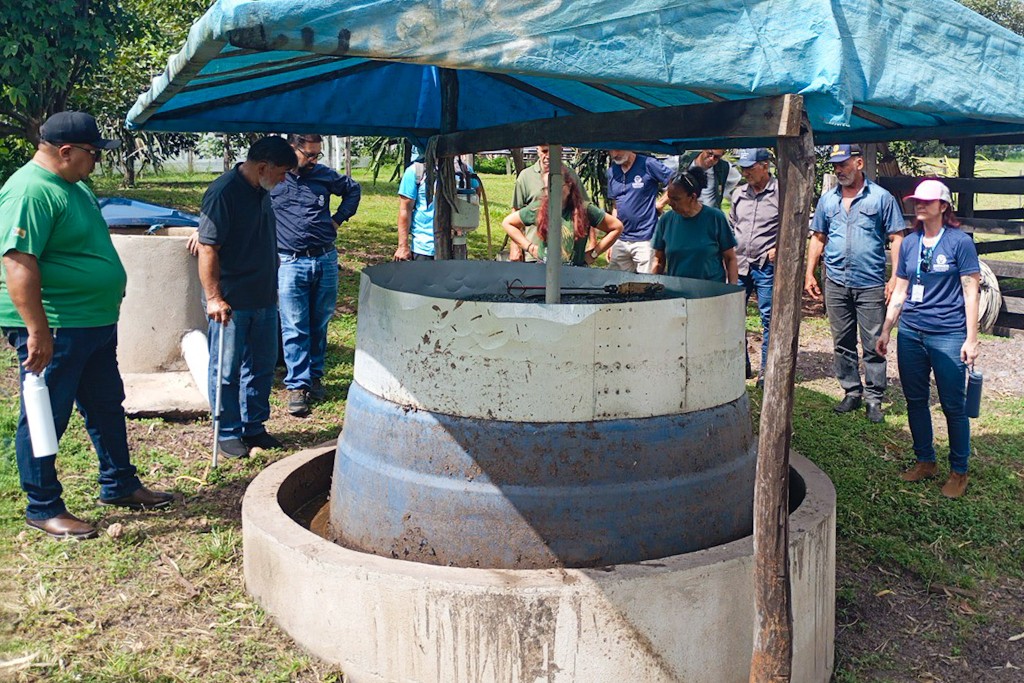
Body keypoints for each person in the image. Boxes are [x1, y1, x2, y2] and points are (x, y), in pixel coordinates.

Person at [0, 111, 173, 539]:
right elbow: (18, 262)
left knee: (105, 404)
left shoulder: (73, 185)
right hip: (58, 324)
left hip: (92, 322)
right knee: (46, 413)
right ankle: (43, 506)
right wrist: (37, 331)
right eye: (93, 153)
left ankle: (119, 483)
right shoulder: (30, 191)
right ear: (65, 151)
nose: (96, 161)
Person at [876, 179, 980, 499]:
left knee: (953, 405)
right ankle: (925, 460)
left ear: (943, 206)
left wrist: (971, 338)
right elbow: (901, 291)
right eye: (916, 200)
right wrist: (887, 328)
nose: (919, 205)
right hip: (911, 333)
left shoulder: (960, 243)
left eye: (926, 201)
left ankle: (959, 471)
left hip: (948, 334)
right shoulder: (910, 243)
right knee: (915, 400)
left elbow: (971, 291)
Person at [195, 136, 297, 458]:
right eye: (281, 173)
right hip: (232, 301)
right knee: (227, 371)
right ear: (263, 167)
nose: (284, 180)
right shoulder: (223, 193)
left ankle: (254, 426)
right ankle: (226, 432)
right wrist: (214, 297)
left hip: (263, 297)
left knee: (262, 366)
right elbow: (208, 248)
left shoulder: (261, 189)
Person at [805, 144, 906, 423]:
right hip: (836, 280)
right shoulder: (828, 200)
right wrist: (809, 273)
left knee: (873, 342)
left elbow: (897, 237)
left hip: (870, 282)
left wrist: (895, 277)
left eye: (844, 164)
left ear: (859, 163)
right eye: (835, 165)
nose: (839, 170)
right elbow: (818, 237)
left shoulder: (881, 198)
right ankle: (851, 391)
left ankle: (874, 397)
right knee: (842, 341)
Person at [272, 134, 360, 417]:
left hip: (325, 258)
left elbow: (353, 190)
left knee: (319, 322)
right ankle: (297, 385)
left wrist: (338, 219)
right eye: (308, 155)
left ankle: (315, 375)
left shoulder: (323, 175)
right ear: (292, 149)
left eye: (316, 155)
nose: (313, 161)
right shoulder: (274, 178)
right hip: (289, 262)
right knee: (294, 325)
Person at [729, 148, 780, 386]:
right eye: (743, 168)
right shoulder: (739, 194)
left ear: (765, 165)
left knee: (769, 318)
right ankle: (741, 366)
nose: (745, 172)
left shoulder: (781, 192)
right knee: (734, 316)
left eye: (750, 168)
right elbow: (732, 225)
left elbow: (794, 225)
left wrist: (779, 247)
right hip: (739, 265)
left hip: (765, 265)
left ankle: (766, 372)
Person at [502, 173, 622, 266]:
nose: (553, 191)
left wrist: (593, 254)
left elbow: (616, 227)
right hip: (544, 268)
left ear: (569, 186)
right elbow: (508, 223)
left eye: (557, 186)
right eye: (548, 188)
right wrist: (530, 248)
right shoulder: (539, 208)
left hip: (576, 270)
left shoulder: (584, 209)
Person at [650, 168, 738, 284]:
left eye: (676, 199)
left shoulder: (715, 218)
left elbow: (730, 258)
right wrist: (652, 285)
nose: (670, 203)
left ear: (692, 197)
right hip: (677, 289)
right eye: (669, 198)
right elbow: (658, 261)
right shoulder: (666, 220)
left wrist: (732, 288)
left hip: (712, 290)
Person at [393, 155, 479, 261]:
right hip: (424, 247)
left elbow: (475, 196)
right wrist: (403, 246)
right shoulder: (416, 171)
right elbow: (405, 209)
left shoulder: (464, 170)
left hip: (457, 246)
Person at [510, 145, 588, 261]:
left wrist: (592, 245)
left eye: (553, 151)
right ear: (538, 150)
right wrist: (516, 246)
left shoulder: (571, 176)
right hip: (535, 253)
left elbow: (585, 209)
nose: (548, 156)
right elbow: (515, 212)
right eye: (545, 151)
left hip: (567, 255)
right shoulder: (525, 176)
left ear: (561, 151)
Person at [605, 149, 672, 273]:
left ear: (628, 146)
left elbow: (675, 181)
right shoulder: (612, 172)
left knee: (646, 282)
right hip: (621, 239)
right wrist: (612, 239)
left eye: (618, 150)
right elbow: (615, 206)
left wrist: (660, 203)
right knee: (615, 281)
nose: (614, 154)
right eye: (611, 150)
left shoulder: (648, 164)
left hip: (645, 238)